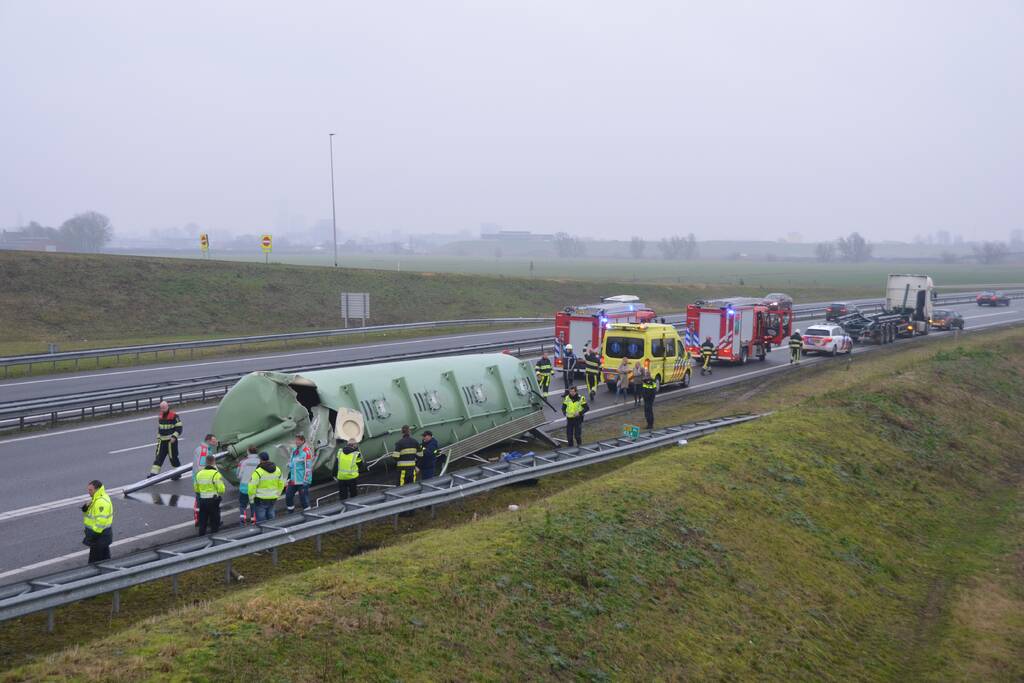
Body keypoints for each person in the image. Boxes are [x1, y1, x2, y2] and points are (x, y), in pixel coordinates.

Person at [82, 479, 113, 564]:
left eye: (90, 490)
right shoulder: (97, 498)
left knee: (94, 563)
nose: (89, 492)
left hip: (99, 537)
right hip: (103, 536)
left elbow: (101, 522)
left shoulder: (100, 502)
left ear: (97, 489)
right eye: (88, 490)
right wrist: (85, 508)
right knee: (105, 559)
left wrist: (93, 535)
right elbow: (92, 514)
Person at [149, 401, 183, 478]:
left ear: (168, 406)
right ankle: (153, 475)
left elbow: (179, 427)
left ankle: (178, 473)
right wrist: (158, 438)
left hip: (171, 441)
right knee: (159, 457)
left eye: (164, 407)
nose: (163, 409)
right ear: (160, 408)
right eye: (162, 407)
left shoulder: (174, 416)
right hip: (162, 441)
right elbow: (160, 428)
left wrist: (174, 437)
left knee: (173, 458)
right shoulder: (160, 416)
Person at [194, 454, 225, 536]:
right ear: (213, 462)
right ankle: (214, 540)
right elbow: (221, 489)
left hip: (202, 501)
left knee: (203, 521)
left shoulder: (199, 474)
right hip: (213, 501)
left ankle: (201, 539)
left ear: (206, 462)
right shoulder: (216, 474)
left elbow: (196, 489)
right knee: (214, 521)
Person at [249, 452, 285, 522]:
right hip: (273, 497)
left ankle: (264, 531)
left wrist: (251, 498)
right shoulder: (277, 469)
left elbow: (252, 486)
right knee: (271, 514)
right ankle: (273, 530)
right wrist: (278, 493)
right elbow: (281, 483)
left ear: (260, 460)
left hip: (260, 498)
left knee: (261, 518)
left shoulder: (258, 472)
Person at [285, 434, 314, 512]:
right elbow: (294, 463)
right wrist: (289, 465)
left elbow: (308, 467)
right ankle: (291, 513)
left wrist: (306, 480)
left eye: (298, 440)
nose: (296, 441)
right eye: (296, 440)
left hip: (302, 481)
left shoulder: (306, 452)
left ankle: (309, 514)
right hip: (293, 480)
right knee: (288, 496)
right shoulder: (295, 451)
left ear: (303, 441)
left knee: (304, 499)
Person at [235, 446, 261, 524]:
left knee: (242, 505)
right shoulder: (260, 462)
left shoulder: (243, 462)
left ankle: (243, 520)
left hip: (244, 487)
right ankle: (253, 520)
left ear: (248, 452)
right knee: (253, 504)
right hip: (255, 487)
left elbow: (238, 475)